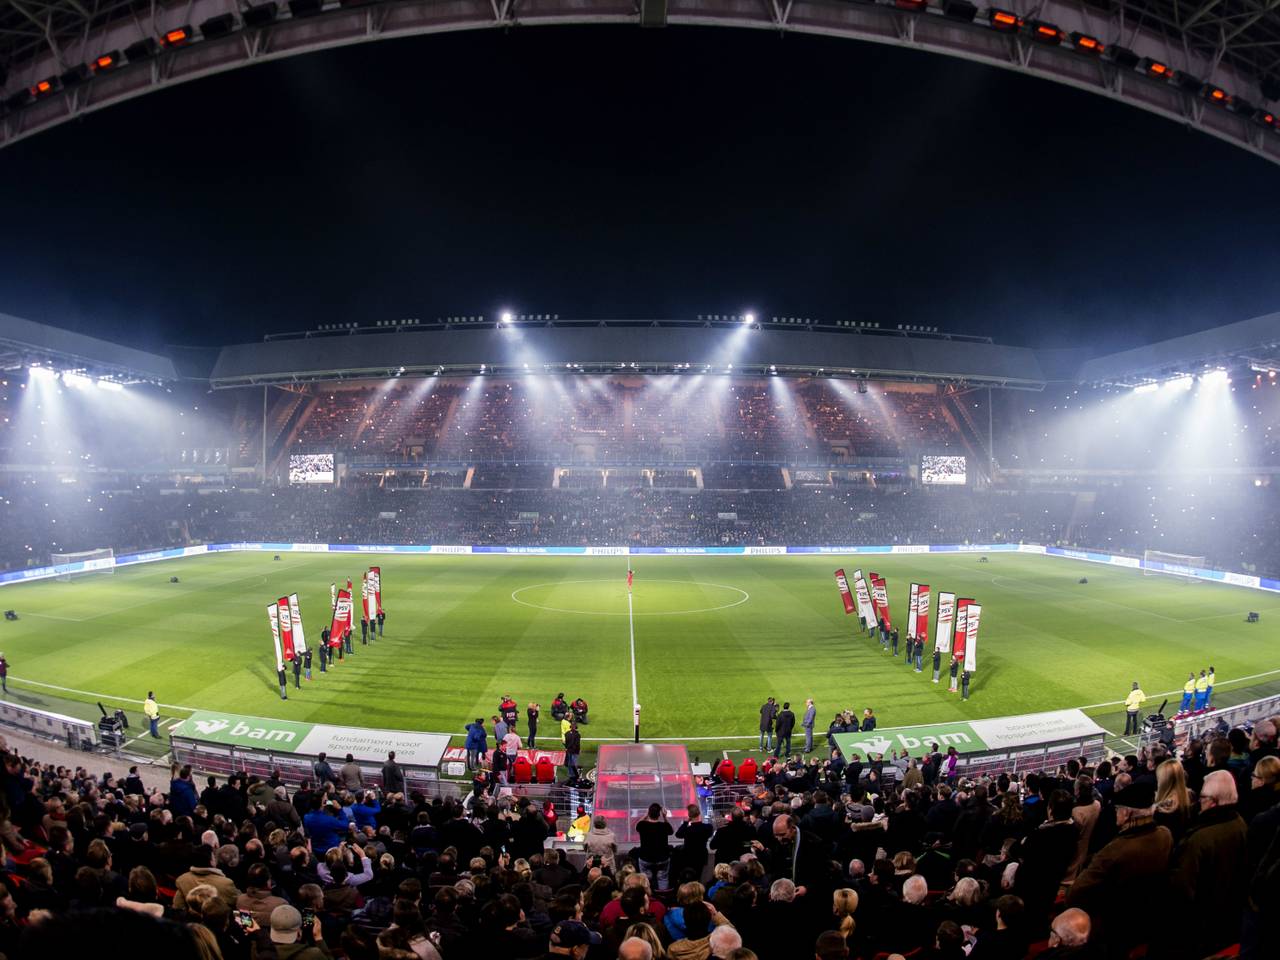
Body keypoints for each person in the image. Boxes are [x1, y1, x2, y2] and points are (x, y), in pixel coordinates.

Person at [635, 803, 673, 891]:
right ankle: (662, 896)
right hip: (662, 858)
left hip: (646, 858)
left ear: (649, 813)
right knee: (663, 878)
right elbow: (671, 831)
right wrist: (665, 817)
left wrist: (645, 816)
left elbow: (637, 826)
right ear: (659, 814)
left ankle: (647, 895)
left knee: (645, 879)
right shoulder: (664, 826)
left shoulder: (642, 825)